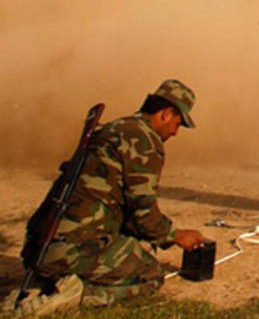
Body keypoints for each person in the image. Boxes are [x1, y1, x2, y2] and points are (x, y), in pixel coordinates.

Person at [11, 79, 206, 313]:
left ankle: (47, 281)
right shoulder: (144, 141)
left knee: (126, 247)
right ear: (166, 114)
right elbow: (142, 214)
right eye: (177, 124)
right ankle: (78, 294)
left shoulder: (113, 129)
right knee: (150, 274)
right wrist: (175, 235)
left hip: (37, 247)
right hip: (69, 249)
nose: (175, 132)